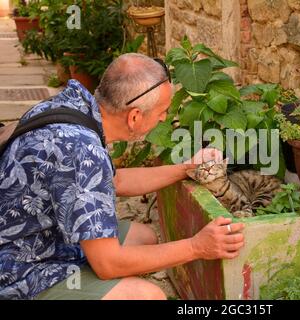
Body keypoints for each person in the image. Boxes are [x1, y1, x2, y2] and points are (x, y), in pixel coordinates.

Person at [0, 53, 245, 300]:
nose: (164, 118)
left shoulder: (73, 105)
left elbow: (116, 181)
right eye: (162, 111)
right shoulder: (82, 148)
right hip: (18, 270)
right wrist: (197, 246)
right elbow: (109, 265)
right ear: (135, 116)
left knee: (144, 238)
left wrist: (185, 169)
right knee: (147, 296)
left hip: (45, 238)